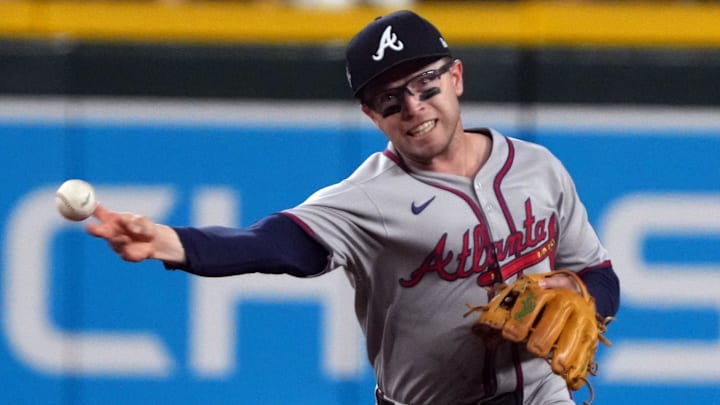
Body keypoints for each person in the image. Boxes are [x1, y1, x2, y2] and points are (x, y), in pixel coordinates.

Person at [87, 10, 620, 405]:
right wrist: (167, 242)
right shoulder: (369, 196)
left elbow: (599, 273)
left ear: (455, 78)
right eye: (391, 99)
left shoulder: (537, 167)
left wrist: (578, 290)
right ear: (371, 113)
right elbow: (277, 244)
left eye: (424, 85)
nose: (413, 107)